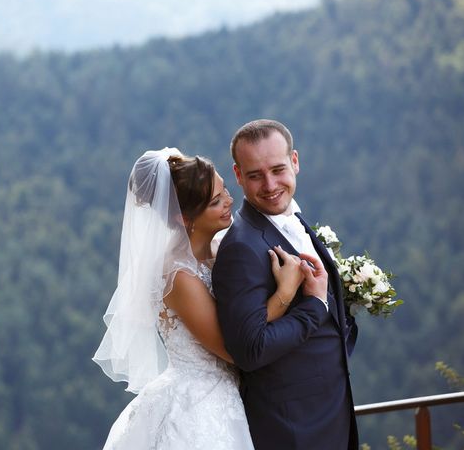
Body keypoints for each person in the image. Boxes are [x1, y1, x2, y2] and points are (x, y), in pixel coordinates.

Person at [93, 147, 326, 449]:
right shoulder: (178, 276)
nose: (230, 201)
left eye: (225, 190)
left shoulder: (220, 249)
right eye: (216, 201)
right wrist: (285, 293)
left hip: (234, 397)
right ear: (184, 216)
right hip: (197, 407)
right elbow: (233, 349)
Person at [212, 119, 359, 450]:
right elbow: (251, 350)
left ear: (295, 161)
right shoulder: (241, 248)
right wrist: (315, 305)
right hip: (292, 430)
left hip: (329, 412)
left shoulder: (295, 218)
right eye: (254, 175)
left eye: (278, 169)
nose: (269, 184)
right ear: (237, 176)